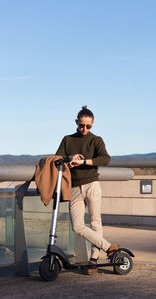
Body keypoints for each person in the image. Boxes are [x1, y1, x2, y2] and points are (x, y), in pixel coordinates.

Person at [56, 106, 118, 274]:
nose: (84, 129)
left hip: (92, 184)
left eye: (88, 126)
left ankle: (94, 260)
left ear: (93, 124)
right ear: (76, 122)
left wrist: (83, 162)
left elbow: (105, 159)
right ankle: (109, 247)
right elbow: (57, 158)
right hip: (74, 187)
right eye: (82, 125)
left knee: (95, 222)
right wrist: (70, 158)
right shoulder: (67, 140)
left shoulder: (96, 140)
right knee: (77, 226)